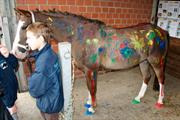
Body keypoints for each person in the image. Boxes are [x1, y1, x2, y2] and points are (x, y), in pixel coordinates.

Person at [26, 22, 64, 120]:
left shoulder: (43, 63)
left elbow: (34, 91)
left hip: (49, 105)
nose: (27, 41)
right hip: (55, 98)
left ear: (41, 39)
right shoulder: (50, 53)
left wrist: (31, 79)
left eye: (29, 38)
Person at [0, 44, 19, 120]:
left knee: (13, 110)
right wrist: (9, 103)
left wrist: (8, 55)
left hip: (12, 93)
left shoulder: (2, 55)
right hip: (5, 98)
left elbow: (15, 65)